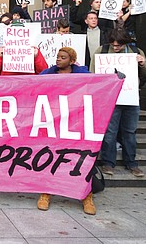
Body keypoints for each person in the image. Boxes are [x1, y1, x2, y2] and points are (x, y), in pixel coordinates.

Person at [37, 47, 95, 215]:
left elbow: (99, 84)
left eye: (63, 57)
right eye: (57, 57)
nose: (58, 60)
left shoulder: (83, 75)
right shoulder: (47, 75)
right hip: (53, 121)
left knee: (80, 159)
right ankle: (45, 193)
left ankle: (86, 196)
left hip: (76, 123)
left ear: (71, 61)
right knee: (49, 156)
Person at [91, 28, 146, 178]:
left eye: (119, 45)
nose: (115, 47)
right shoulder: (102, 51)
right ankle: (108, 162)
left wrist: (142, 63)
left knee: (130, 132)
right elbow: (93, 73)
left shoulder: (136, 51)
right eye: (113, 44)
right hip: (109, 99)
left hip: (131, 98)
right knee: (110, 132)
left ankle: (131, 162)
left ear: (126, 43)